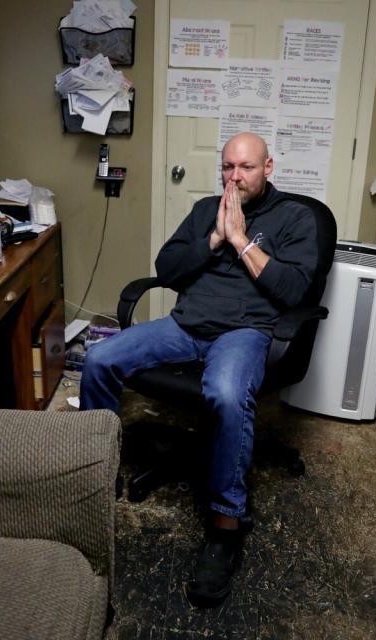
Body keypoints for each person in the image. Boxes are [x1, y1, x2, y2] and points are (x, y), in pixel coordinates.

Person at [80, 132, 321, 607]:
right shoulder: (205, 210)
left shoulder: (297, 218)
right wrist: (213, 236)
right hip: (185, 325)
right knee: (98, 359)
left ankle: (226, 526)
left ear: (268, 167)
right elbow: (167, 269)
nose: (235, 177)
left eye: (246, 167)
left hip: (244, 333)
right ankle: (94, 475)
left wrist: (239, 240)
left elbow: (294, 291)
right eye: (228, 167)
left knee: (228, 395)